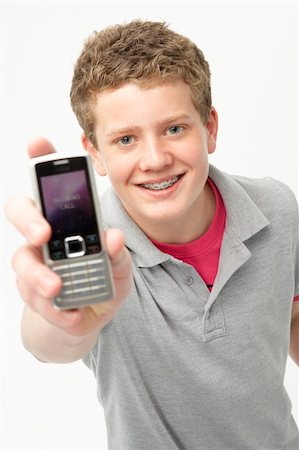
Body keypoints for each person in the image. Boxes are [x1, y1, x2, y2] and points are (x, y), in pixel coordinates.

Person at [5, 19, 299, 450]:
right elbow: (47, 343)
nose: (155, 159)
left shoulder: (277, 208)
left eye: (174, 129)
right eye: (125, 139)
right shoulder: (97, 249)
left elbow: (290, 314)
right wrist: (60, 318)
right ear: (95, 153)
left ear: (210, 128)